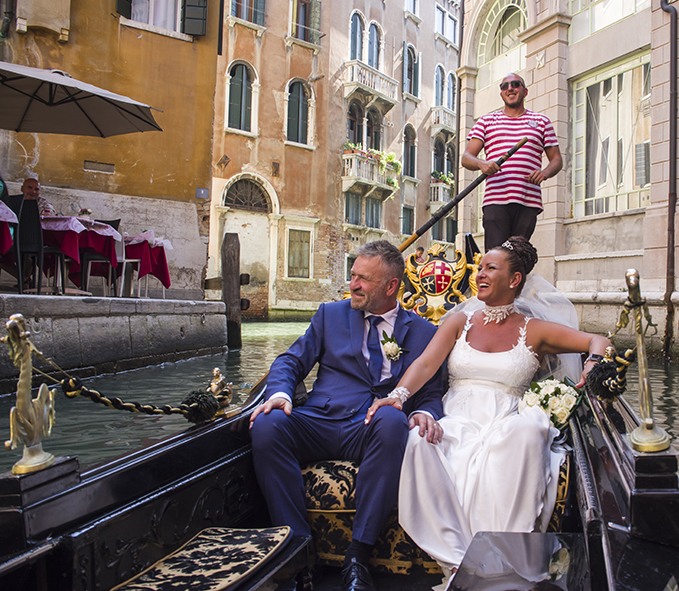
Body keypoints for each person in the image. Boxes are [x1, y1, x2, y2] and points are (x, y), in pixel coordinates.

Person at [364, 236, 611, 583]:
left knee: (527, 432)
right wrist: (399, 395)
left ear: (514, 280)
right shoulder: (459, 322)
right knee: (420, 441)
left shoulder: (534, 330)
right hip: (458, 418)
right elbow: (425, 364)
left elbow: (597, 341)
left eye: (489, 268)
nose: (478, 275)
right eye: (479, 268)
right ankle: (460, 561)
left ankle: (501, 562)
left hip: (507, 421)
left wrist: (593, 363)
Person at [249, 240, 445, 591]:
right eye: (353, 275)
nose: (353, 284)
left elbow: (430, 394)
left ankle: (358, 554)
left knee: (393, 420)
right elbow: (291, 361)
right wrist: (279, 393)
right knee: (267, 423)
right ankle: (298, 549)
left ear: (391, 286)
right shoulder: (330, 314)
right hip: (320, 420)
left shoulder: (425, 333)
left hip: (372, 426)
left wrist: (426, 414)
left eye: (363, 279)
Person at [461, 73, 562, 251]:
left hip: (528, 200)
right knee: (496, 255)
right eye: (504, 86)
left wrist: (544, 173)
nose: (510, 88)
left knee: (519, 258)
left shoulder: (541, 122)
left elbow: (556, 160)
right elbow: (467, 157)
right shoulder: (486, 121)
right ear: (501, 94)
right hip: (495, 199)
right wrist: (482, 164)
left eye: (515, 84)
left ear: (525, 91)